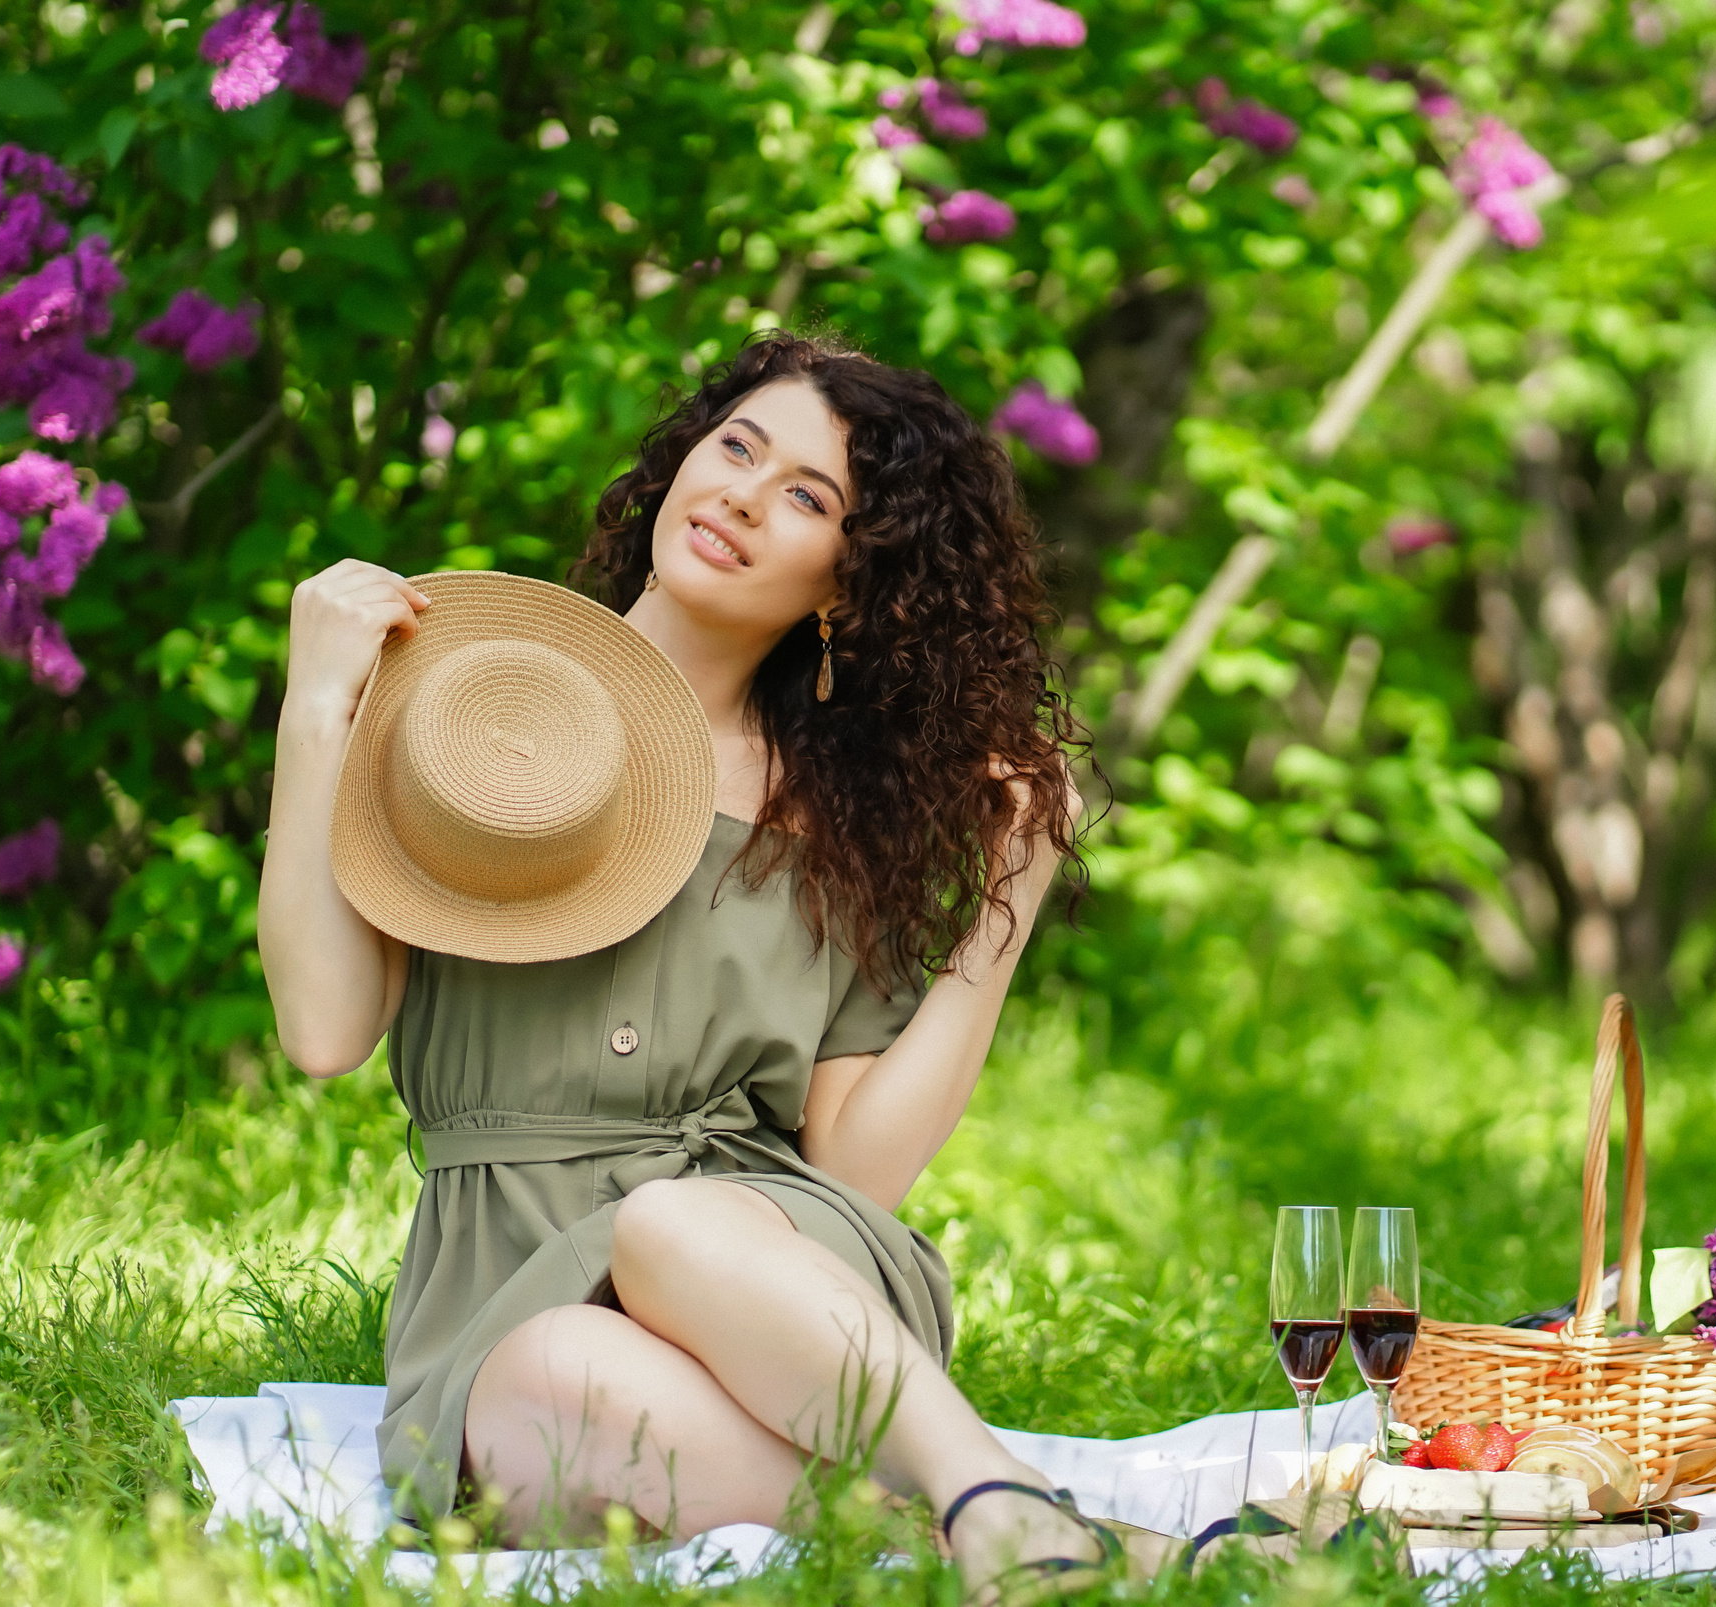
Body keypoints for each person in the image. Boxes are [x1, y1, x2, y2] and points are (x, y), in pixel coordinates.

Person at [256, 332, 1111, 1594]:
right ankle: (1014, 1521)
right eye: (736, 448)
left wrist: (1009, 897)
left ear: (848, 581)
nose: (743, 498)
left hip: (771, 1259)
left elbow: (857, 1163)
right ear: (677, 466)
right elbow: (326, 1033)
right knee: (557, 1384)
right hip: (509, 1283)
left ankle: (982, 1486)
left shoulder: (845, 807)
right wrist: (315, 709)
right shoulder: (468, 701)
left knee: (669, 1219)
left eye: (808, 498)